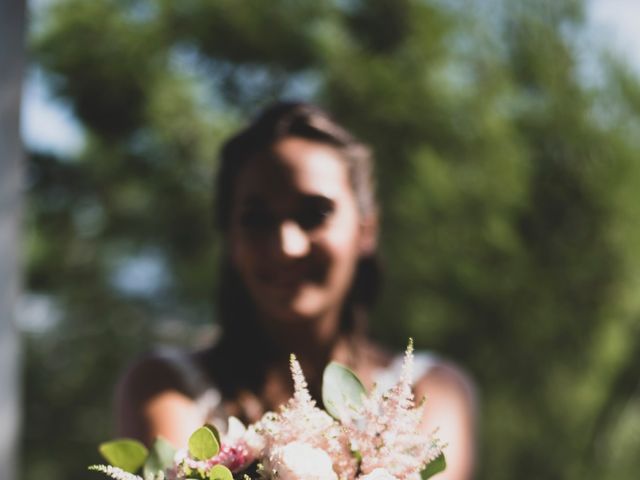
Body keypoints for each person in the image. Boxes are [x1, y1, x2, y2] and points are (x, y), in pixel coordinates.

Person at [116, 102, 476, 479]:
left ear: (366, 230)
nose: (285, 245)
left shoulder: (434, 392)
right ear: (231, 239)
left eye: (314, 214)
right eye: (257, 220)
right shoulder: (164, 386)